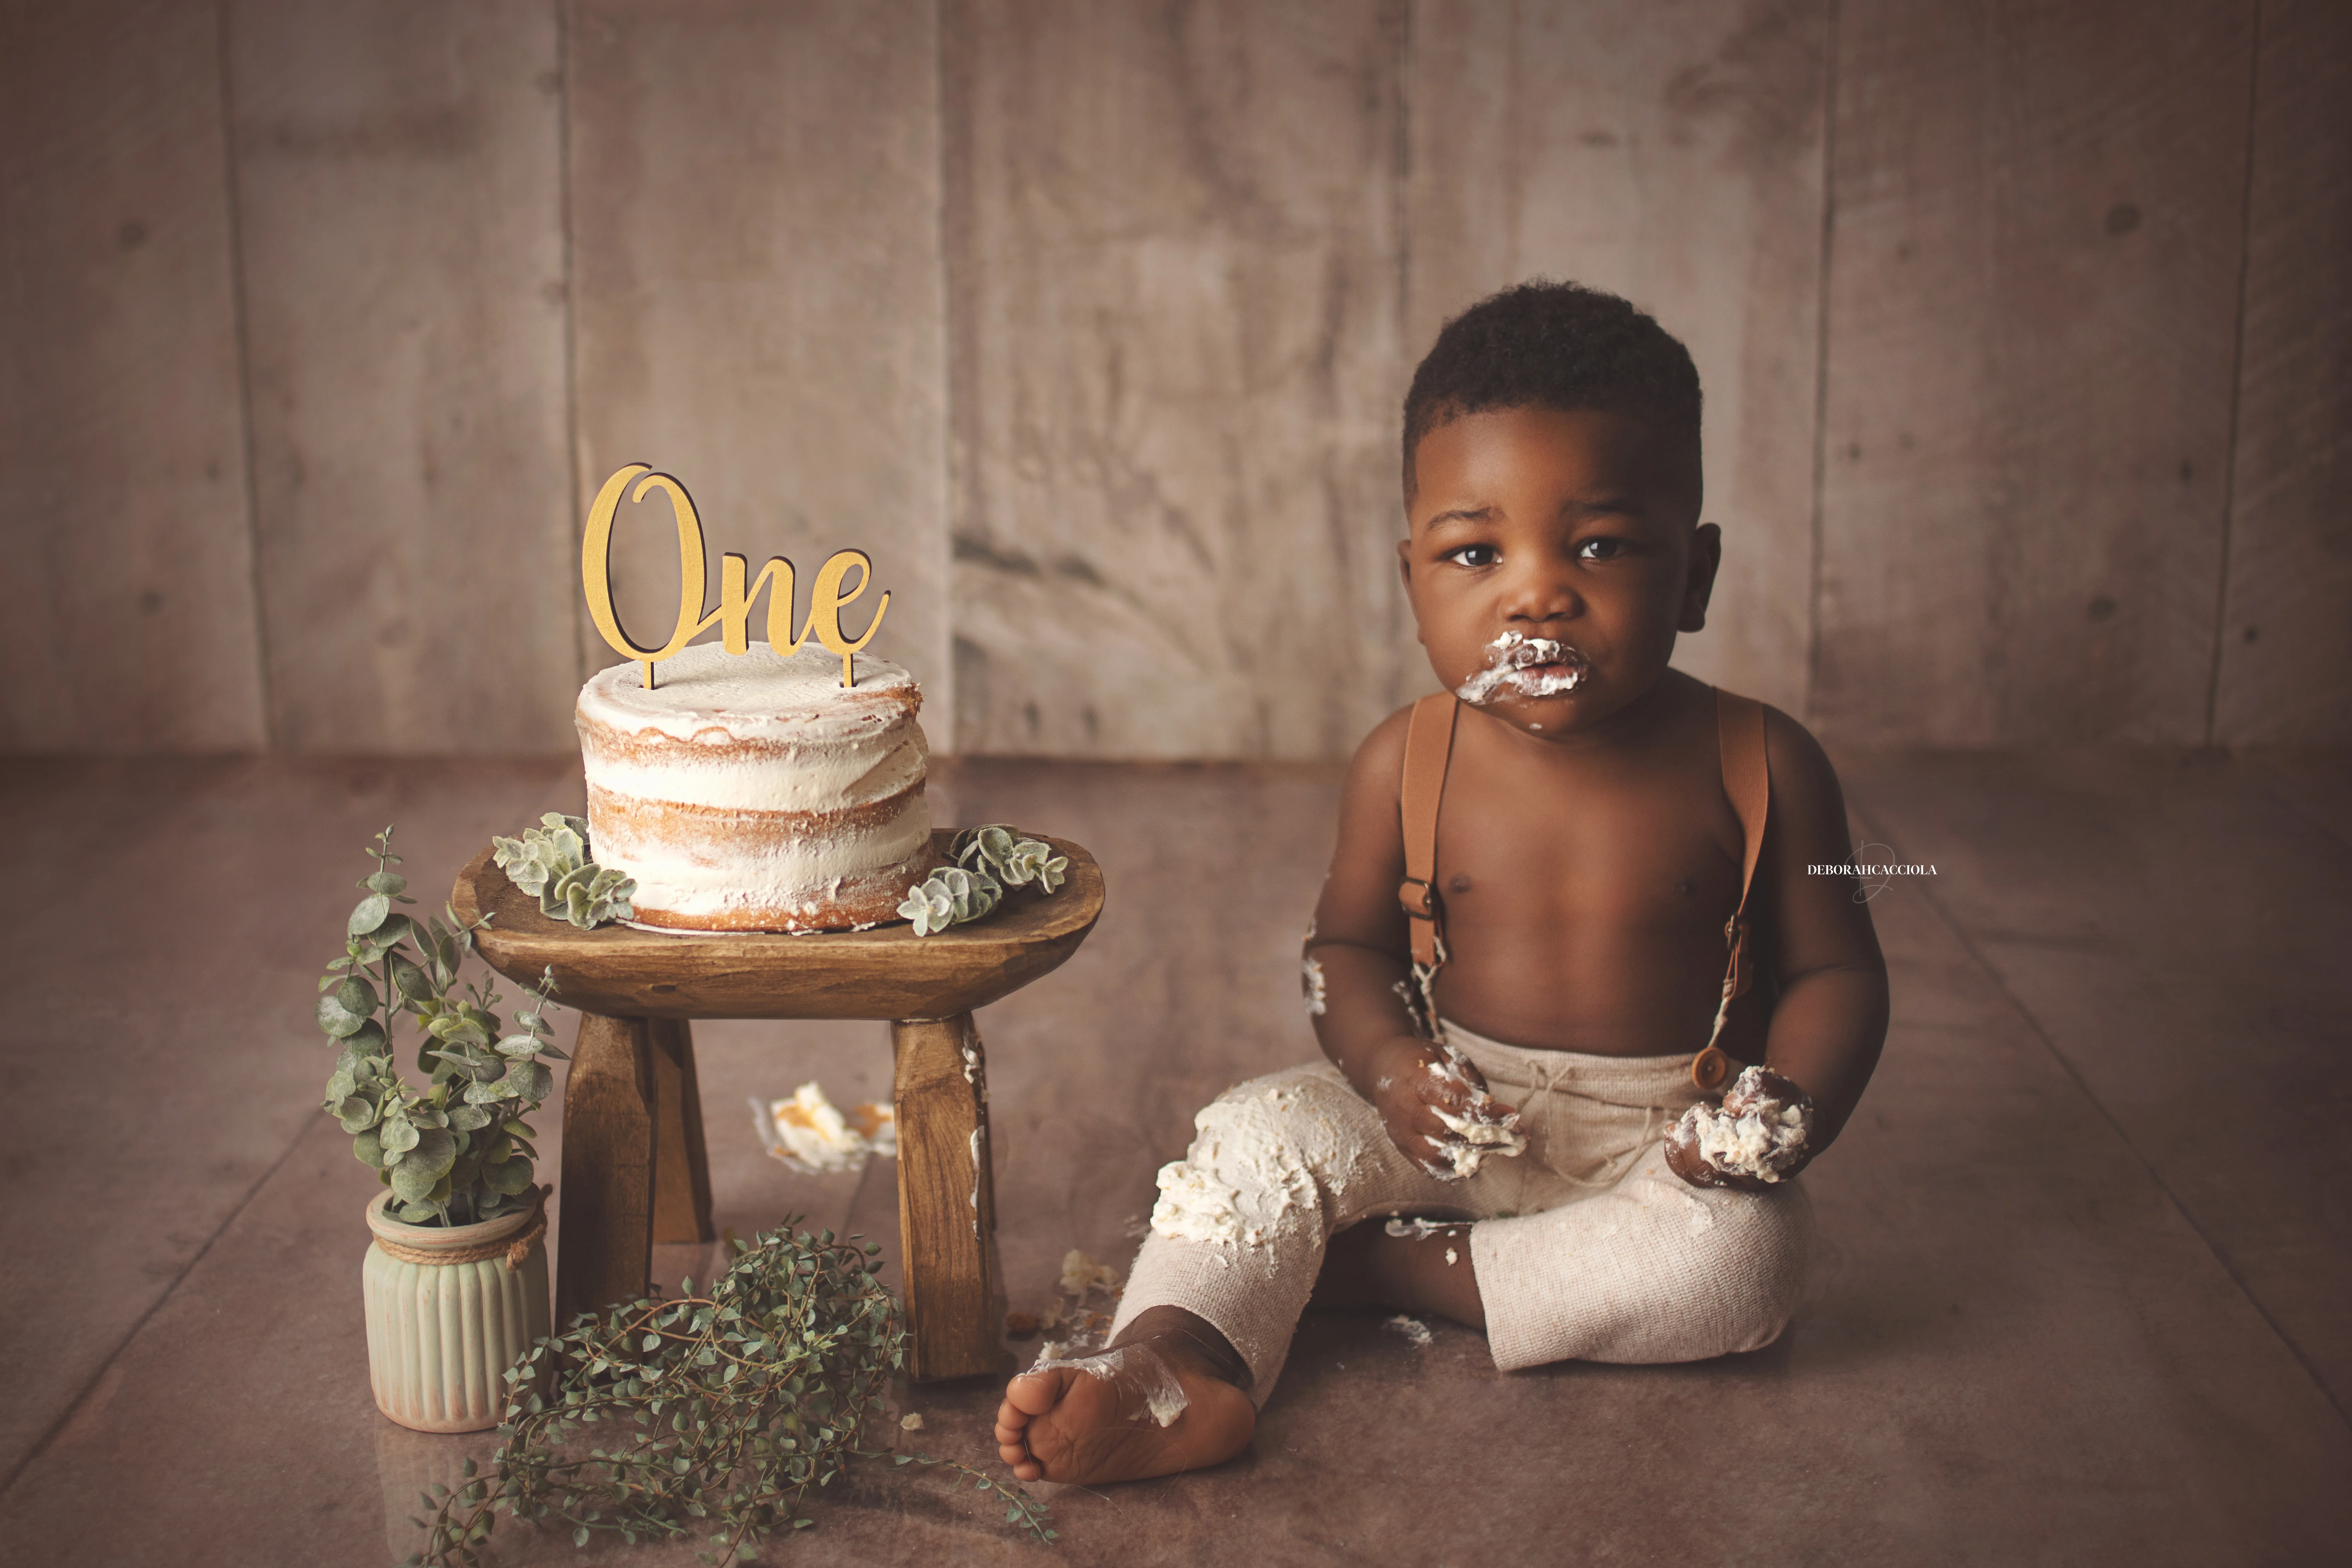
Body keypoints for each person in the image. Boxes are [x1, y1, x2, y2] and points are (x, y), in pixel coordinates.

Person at [995, 280, 1890, 1485]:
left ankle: (1387, 1269)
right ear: (1413, 579)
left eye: (1600, 545)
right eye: (1478, 551)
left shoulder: (1766, 763)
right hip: (1457, 1112)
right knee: (1256, 1132)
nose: (1536, 591)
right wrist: (1387, 1068)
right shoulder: (1405, 760)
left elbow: (1838, 968)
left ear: (1695, 573)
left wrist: (1782, 1109)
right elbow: (1345, 954)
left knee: (1746, 1268)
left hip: (1668, 1141)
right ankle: (1170, 1364)